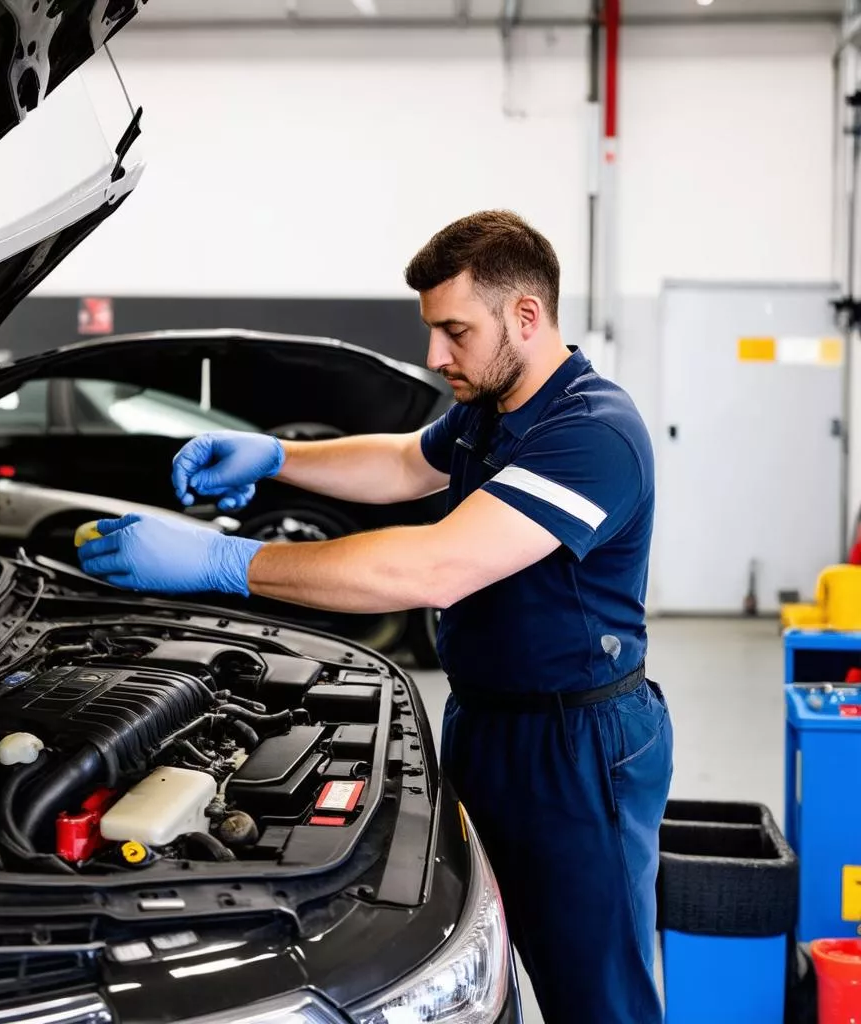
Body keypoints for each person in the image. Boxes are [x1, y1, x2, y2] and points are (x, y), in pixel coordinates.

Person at [78, 210, 674, 1024]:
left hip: (576, 745)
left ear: (526, 317)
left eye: (454, 331)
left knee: (596, 992)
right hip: (486, 719)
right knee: (482, 954)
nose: (436, 356)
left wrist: (222, 562)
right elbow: (403, 462)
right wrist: (280, 456)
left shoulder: (593, 434)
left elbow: (433, 567)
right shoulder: (493, 408)